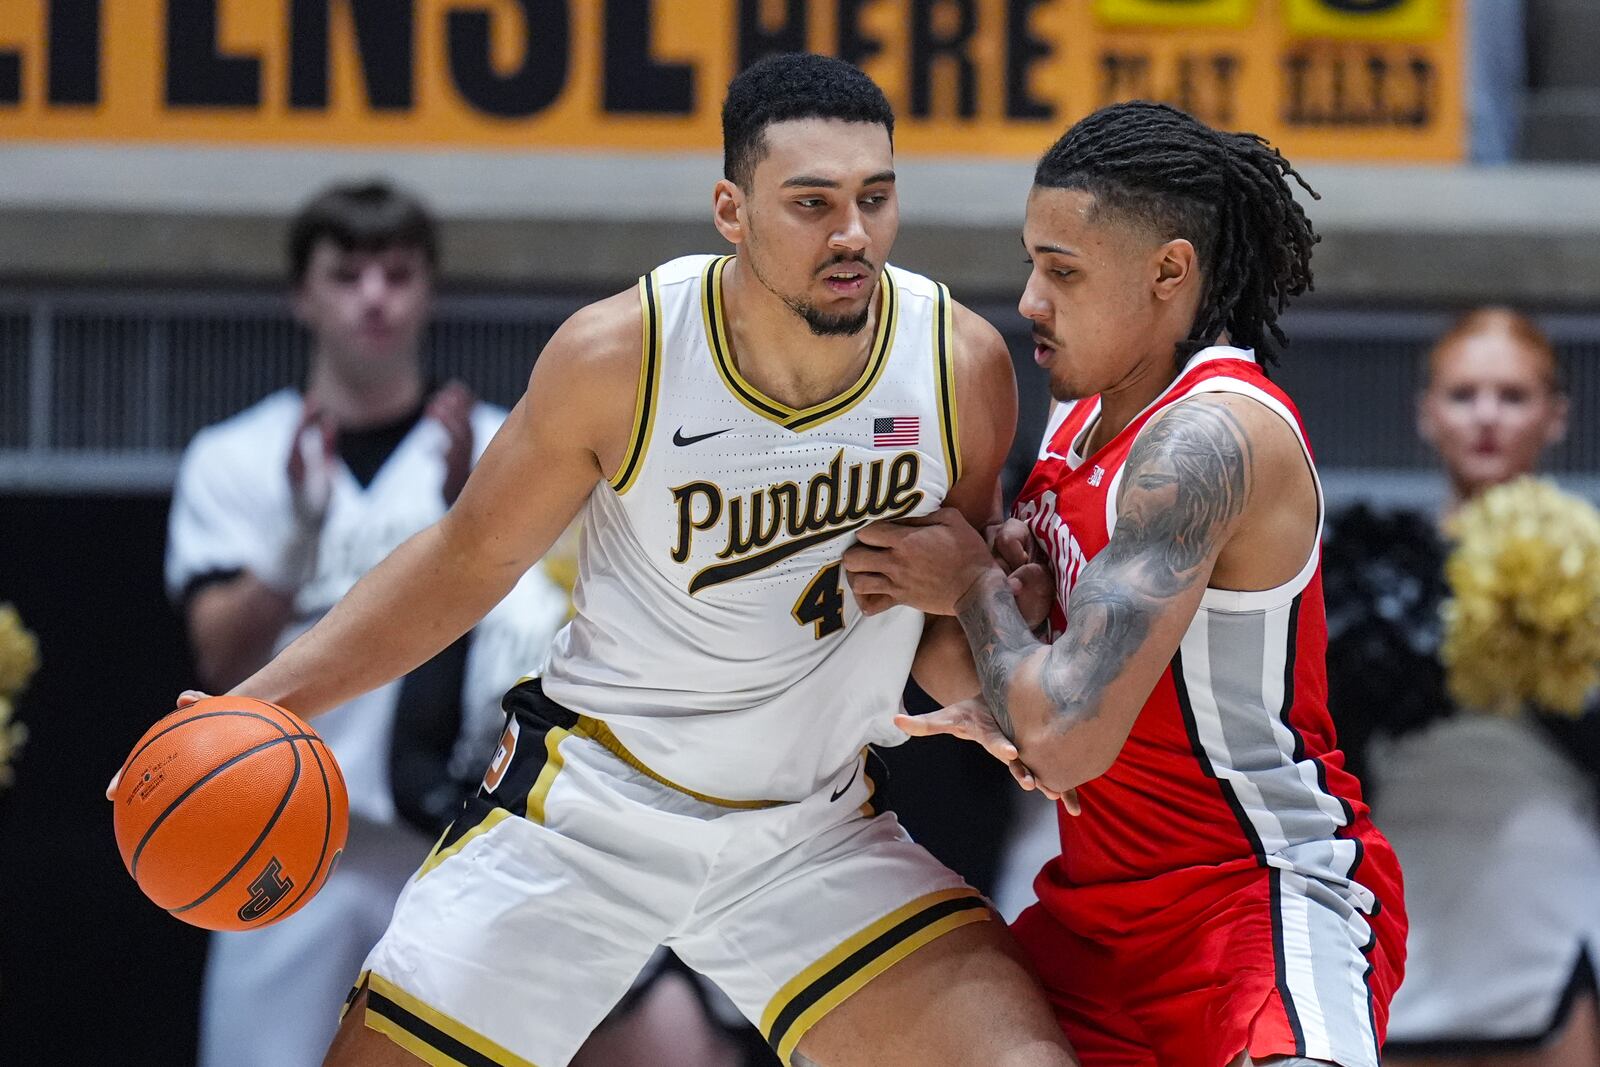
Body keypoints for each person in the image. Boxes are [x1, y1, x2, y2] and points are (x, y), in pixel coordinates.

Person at [138, 54, 1076, 1067]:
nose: (852, 232)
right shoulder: (620, 355)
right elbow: (465, 560)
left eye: (873, 198)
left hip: (813, 827)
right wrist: (266, 701)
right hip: (588, 815)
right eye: (812, 202)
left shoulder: (957, 364)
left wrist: (989, 668)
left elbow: (933, 633)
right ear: (732, 208)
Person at [840, 101, 1408, 1067]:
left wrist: (975, 583)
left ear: (1169, 272)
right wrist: (992, 624)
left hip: (1254, 897)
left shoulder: (1207, 440)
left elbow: (1058, 738)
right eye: (1031, 261)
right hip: (1099, 914)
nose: (1028, 299)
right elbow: (981, 679)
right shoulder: (1076, 421)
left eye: (1062, 271)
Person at [163, 179, 569, 1067]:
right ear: (301, 295)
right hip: (275, 841)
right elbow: (219, 665)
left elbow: (556, 647)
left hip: (456, 845)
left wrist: (480, 520)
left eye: (397, 273)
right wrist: (294, 543)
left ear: (429, 289)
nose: (375, 296)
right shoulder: (237, 458)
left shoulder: (506, 449)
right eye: (348, 274)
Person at [1322, 308, 1600, 1065]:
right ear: (1426, 413)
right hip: (1401, 880)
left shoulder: (1596, 561)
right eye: (1464, 394)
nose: (1486, 417)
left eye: (1512, 396)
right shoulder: (1359, 564)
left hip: (1547, 880)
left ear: (1556, 415)